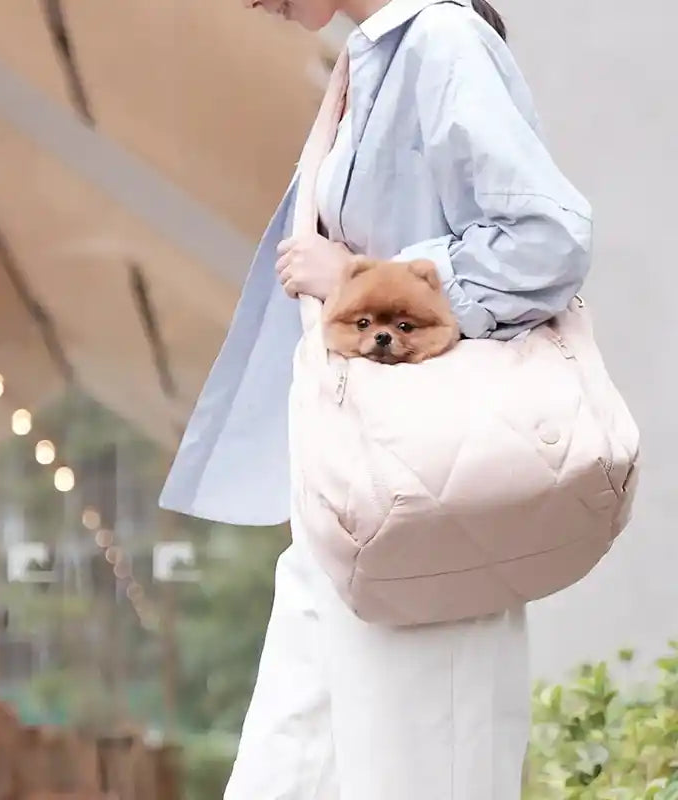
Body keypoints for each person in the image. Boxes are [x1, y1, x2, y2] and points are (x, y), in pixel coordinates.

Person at [160, 0, 591, 796]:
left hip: (428, 503)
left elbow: (548, 239)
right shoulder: (369, 65)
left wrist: (362, 280)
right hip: (348, 504)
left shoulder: (442, 42)